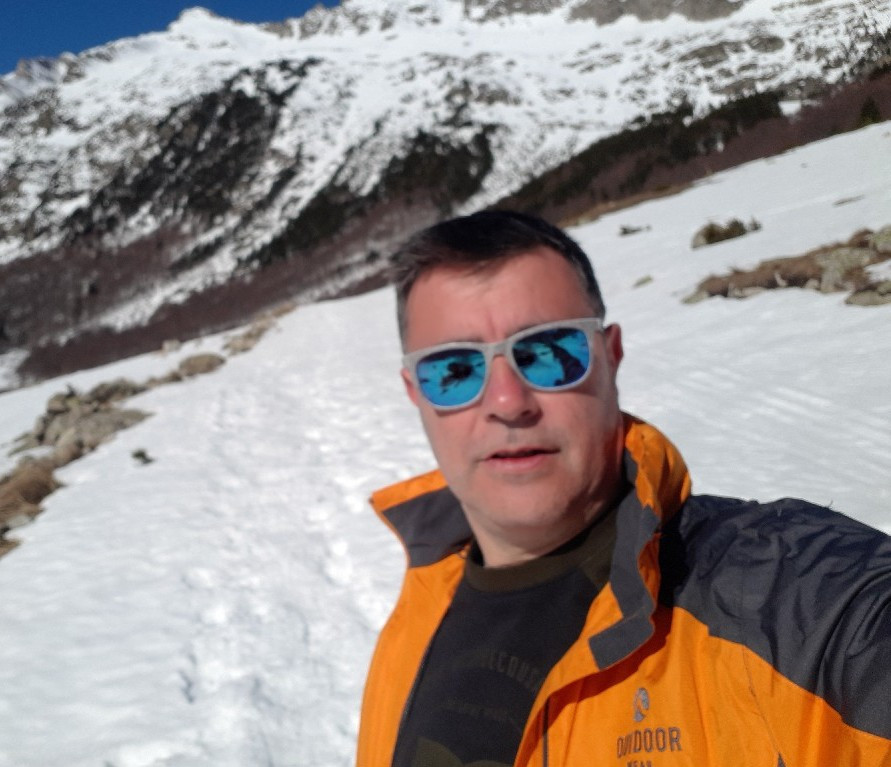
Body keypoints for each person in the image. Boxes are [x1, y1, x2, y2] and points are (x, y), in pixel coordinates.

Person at [355, 210, 891, 767]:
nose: (508, 402)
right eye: (454, 370)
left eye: (549, 352)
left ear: (610, 355)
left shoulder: (779, 601)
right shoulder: (417, 615)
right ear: (415, 391)